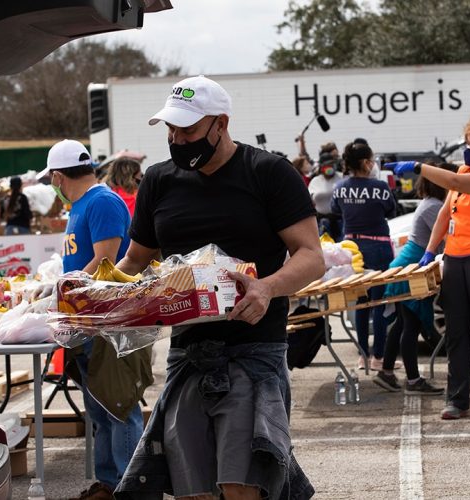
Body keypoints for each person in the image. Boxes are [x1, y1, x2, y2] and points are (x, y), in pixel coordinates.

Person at [113, 75, 323, 500]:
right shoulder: (158, 179)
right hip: (186, 353)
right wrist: (91, 298)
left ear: (220, 124)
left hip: (253, 350)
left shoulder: (267, 173)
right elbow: (135, 261)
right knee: (193, 490)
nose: (177, 138)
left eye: (188, 130)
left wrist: (266, 288)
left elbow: (311, 256)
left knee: (242, 487)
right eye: (171, 129)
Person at [37, 139, 151, 499]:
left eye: (52, 181)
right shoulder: (85, 204)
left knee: (119, 407)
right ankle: (108, 483)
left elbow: (107, 261)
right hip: (90, 321)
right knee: (100, 411)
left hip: (109, 321)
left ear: (58, 176)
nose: (53, 187)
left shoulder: (101, 201)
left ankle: (126, 487)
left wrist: (64, 288)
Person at [392, 121, 470, 420]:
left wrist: (418, 167)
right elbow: (445, 213)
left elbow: (456, 185)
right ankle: (457, 400)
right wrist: (429, 251)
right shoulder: (464, 172)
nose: (468, 150)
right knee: (456, 330)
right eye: (467, 143)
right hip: (457, 258)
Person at [374, 163, 457, 393]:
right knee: (411, 323)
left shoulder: (432, 204)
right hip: (413, 267)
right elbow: (446, 240)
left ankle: (386, 372)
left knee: (402, 322)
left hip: (411, 266)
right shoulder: (435, 207)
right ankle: (412, 380)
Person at [331, 141, 396, 371]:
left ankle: (362, 356)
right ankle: (378, 357)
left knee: (361, 303)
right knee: (379, 303)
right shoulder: (380, 187)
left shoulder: (340, 187)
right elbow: (391, 210)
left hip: (352, 249)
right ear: (367, 162)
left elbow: (336, 210)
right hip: (378, 247)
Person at [308, 152, 343, 240]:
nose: (331, 167)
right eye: (328, 165)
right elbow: (309, 200)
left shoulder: (341, 178)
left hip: (340, 221)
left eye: (332, 164)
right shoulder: (315, 181)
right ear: (321, 167)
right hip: (322, 223)